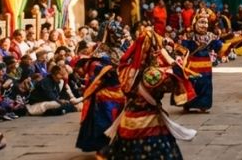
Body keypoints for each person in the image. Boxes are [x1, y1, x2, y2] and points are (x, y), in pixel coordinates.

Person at [106, 29, 196, 159]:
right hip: (149, 122)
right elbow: (179, 76)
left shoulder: (125, 70)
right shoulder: (153, 75)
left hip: (128, 121)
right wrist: (169, 58)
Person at [75, 57, 124, 155]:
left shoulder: (95, 65)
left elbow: (99, 81)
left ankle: (105, 146)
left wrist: (89, 92)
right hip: (106, 96)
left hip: (107, 97)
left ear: (81, 66)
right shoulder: (94, 65)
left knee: (104, 122)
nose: (79, 73)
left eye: (77, 70)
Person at [176, 16, 222, 112]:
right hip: (191, 65)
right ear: (195, 23)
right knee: (191, 84)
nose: (204, 25)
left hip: (205, 66)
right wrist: (185, 41)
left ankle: (203, 105)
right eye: (201, 22)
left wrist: (218, 40)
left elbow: (218, 47)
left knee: (205, 84)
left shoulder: (211, 36)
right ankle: (187, 105)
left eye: (205, 23)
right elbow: (182, 49)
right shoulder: (190, 36)